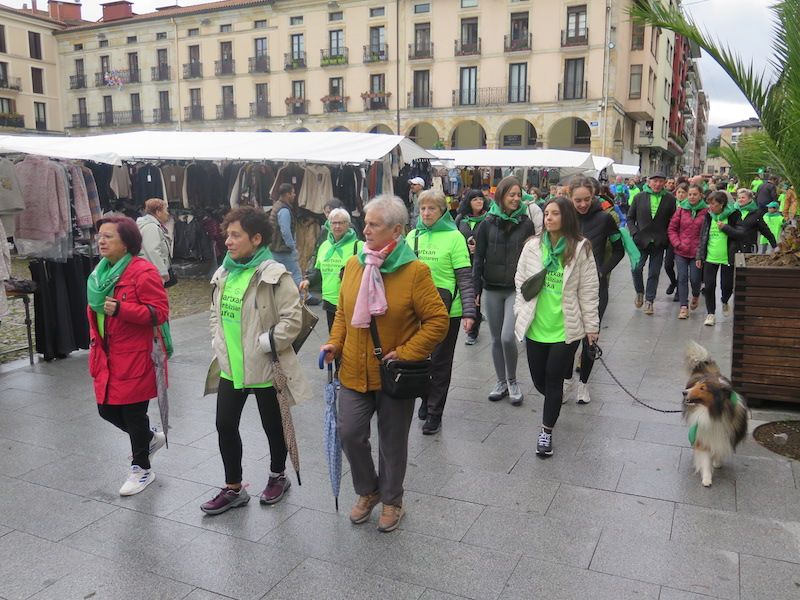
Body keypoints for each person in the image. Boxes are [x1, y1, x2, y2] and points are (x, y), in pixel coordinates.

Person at [321, 195, 448, 533]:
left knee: (392, 443)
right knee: (349, 434)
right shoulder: (354, 264)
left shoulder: (415, 271)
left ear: (396, 231)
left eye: (373, 225)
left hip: (394, 374)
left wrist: (407, 351)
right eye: (365, 223)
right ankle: (369, 490)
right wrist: (335, 343)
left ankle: (392, 500)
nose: (365, 229)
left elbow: (438, 321)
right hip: (352, 370)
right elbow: (343, 315)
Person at [201, 206, 310, 515]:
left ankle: (278, 476)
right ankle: (233, 488)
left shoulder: (274, 273)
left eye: (236, 235)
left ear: (257, 238)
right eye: (227, 235)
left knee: (273, 427)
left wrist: (269, 341)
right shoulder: (224, 272)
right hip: (231, 366)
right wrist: (217, 339)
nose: (229, 242)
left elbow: (294, 317)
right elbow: (215, 313)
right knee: (224, 425)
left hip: (265, 366)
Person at [87, 216, 169, 496]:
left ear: (127, 242)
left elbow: (160, 313)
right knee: (106, 410)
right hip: (107, 356)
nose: (101, 240)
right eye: (100, 235)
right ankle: (148, 439)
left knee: (134, 414)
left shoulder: (142, 272)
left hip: (136, 356)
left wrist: (122, 310)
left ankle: (141, 468)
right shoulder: (99, 274)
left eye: (109, 236)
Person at [514, 197, 599, 457]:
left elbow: (588, 289)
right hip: (535, 325)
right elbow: (521, 281)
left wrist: (591, 326)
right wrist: (519, 310)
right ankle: (558, 391)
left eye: (554, 214)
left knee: (552, 381)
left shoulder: (581, 247)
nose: (548, 218)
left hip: (565, 327)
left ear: (566, 217)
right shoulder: (532, 246)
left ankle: (546, 432)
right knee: (539, 380)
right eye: (546, 213)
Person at [408, 189, 476, 434]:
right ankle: (426, 398)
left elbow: (465, 278)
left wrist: (469, 312)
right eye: (423, 208)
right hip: (417, 312)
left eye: (432, 209)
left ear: (442, 211)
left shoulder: (454, 237)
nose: (426, 213)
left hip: (448, 311)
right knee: (420, 359)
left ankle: (435, 412)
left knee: (440, 362)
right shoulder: (413, 235)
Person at [473, 176, 536, 405]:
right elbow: (478, 258)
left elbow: (533, 255)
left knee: (508, 337)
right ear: (501, 196)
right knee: (495, 338)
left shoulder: (526, 223)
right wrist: (475, 290)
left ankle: (512, 380)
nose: (516, 198)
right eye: (511, 194)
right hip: (491, 288)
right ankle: (500, 381)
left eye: (519, 194)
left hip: (515, 289)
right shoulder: (487, 223)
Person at [566, 177, 623, 404]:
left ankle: (583, 385)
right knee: (568, 339)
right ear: (570, 198)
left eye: (586, 199)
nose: (582, 204)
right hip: (568, 287)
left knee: (590, 338)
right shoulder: (565, 218)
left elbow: (619, 249)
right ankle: (567, 381)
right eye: (577, 200)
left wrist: (602, 270)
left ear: (594, 196)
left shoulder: (605, 219)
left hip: (596, 288)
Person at [300, 207, 363, 332]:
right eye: (334, 223)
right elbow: (317, 270)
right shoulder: (324, 246)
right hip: (329, 301)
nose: (337, 226)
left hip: (350, 302)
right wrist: (308, 281)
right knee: (333, 338)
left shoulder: (359, 246)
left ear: (348, 225)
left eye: (341, 223)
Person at [627, 172, 677, 315]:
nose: (657, 184)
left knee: (654, 273)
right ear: (649, 182)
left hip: (659, 242)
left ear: (664, 183)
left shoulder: (669, 199)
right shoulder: (639, 197)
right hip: (640, 240)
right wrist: (634, 232)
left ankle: (649, 301)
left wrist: (667, 236)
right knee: (636, 269)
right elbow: (630, 218)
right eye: (655, 181)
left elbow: (672, 221)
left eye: (661, 181)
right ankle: (639, 292)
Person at [696, 191, 746, 326]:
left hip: (727, 257)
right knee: (709, 286)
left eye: (713, 204)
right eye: (709, 203)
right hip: (710, 257)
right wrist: (700, 255)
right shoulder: (708, 215)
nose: (710, 207)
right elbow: (703, 236)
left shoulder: (734, 215)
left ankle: (724, 300)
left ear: (722, 204)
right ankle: (710, 314)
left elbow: (741, 234)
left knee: (727, 286)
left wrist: (725, 228)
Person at [668, 183, 708, 319]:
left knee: (695, 279)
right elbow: (672, 229)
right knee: (683, 277)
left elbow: (707, 232)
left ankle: (696, 295)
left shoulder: (706, 212)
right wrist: (677, 243)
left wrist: (702, 250)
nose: (691, 197)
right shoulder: (681, 210)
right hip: (681, 250)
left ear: (701, 195)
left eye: (695, 194)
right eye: (690, 194)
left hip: (697, 253)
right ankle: (683, 307)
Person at [456, 189, 488, 345]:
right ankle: (474, 321)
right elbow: (454, 237)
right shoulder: (461, 219)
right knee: (468, 295)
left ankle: (473, 332)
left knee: (476, 295)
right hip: (463, 262)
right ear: (468, 201)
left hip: (482, 264)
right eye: (474, 199)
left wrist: (480, 248)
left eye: (480, 198)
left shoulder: (488, 218)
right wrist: (464, 247)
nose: (478, 201)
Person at [269, 183, 303, 287]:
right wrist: (292, 246)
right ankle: (303, 295)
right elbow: (285, 231)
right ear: (287, 194)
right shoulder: (284, 210)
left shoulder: (277, 205)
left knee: (277, 275)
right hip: (283, 248)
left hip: (275, 247)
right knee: (295, 273)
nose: (294, 195)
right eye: (293, 193)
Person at [136, 198, 171, 284]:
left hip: (148, 271)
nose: (168, 213)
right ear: (158, 212)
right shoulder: (151, 227)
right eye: (165, 210)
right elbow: (153, 251)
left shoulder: (150, 225)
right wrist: (163, 273)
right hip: (152, 273)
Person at [735, 188, 777, 253]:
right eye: (739, 198)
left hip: (750, 248)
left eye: (743, 198)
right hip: (735, 247)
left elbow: (765, 230)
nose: (740, 200)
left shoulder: (757, 213)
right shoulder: (734, 212)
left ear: (750, 199)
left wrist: (775, 246)